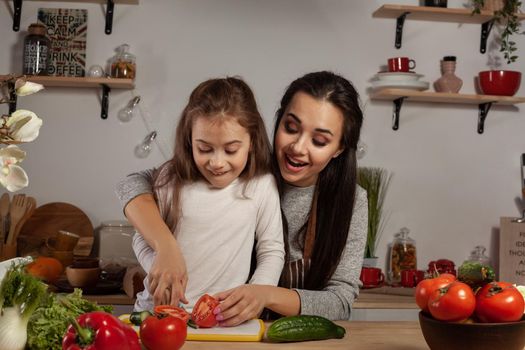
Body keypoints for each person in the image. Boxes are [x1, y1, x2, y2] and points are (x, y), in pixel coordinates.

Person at [118, 71, 367, 323]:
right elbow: (132, 184)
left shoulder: (348, 200)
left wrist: (265, 294)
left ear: (340, 148)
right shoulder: (242, 169)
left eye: (319, 140)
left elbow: (340, 302)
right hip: (199, 319)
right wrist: (165, 247)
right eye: (291, 127)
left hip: (268, 331)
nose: (298, 148)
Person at [116, 77, 285, 311]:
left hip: (221, 316)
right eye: (204, 149)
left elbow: (271, 250)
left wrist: (257, 293)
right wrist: (161, 266)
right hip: (158, 311)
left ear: (252, 142)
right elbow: (141, 236)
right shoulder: (170, 179)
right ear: (189, 140)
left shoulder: (261, 186)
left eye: (231, 150)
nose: (217, 162)